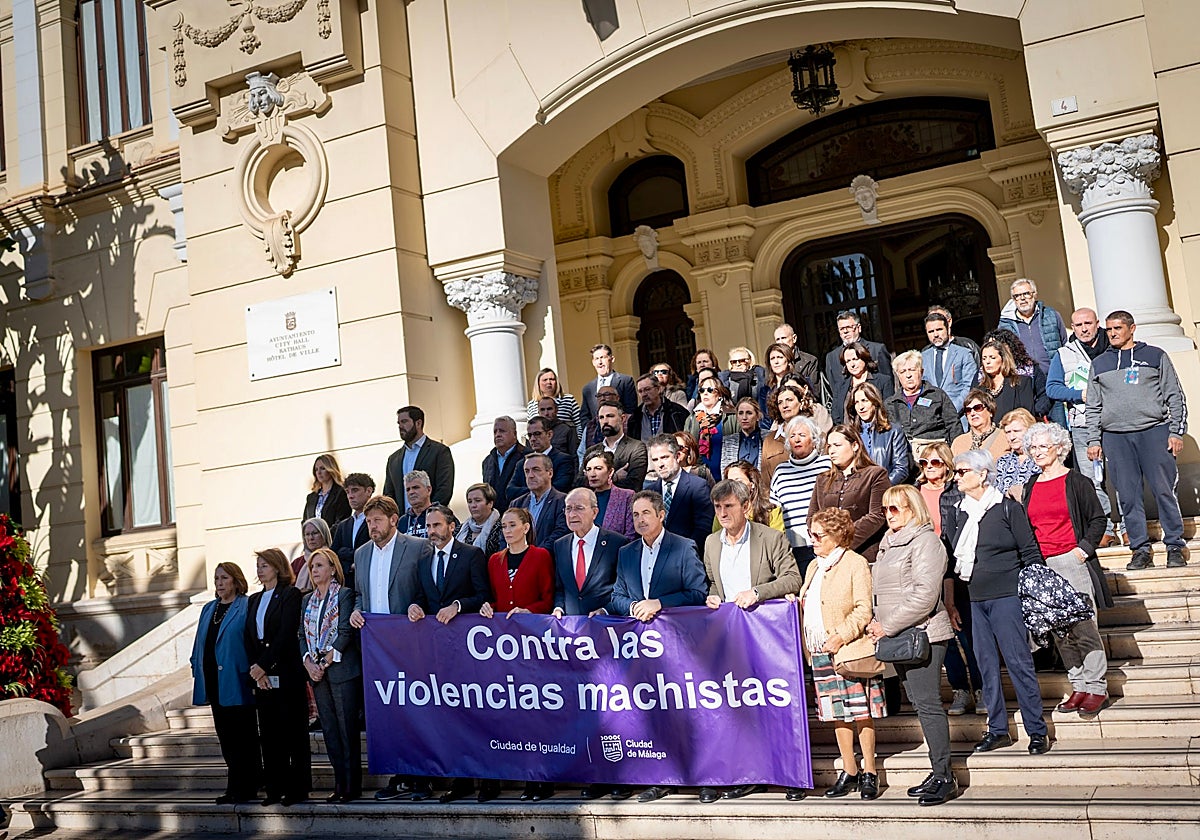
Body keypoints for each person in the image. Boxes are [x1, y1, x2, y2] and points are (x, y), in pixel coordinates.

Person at [700, 478, 802, 804]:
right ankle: (750, 775)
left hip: (767, 638)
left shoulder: (770, 538)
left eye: (729, 506)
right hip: (729, 640)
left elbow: (792, 578)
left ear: (745, 506)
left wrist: (758, 593)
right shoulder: (711, 543)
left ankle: (790, 773)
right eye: (718, 507)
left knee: (776, 707)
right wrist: (712, 597)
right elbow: (712, 584)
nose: (723, 512)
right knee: (740, 709)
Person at [942, 450, 1050, 756]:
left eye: (962, 471)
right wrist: (950, 603)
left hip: (1006, 596)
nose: (956, 476)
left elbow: (1030, 551)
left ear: (983, 474)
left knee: (1018, 662)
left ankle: (1036, 729)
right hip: (973, 599)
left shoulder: (1005, 507)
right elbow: (951, 561)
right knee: (986, 665)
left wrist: (1034, 593)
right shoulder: (958, 511)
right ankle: (998, 728)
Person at [865, 485, 957, 806]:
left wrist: (885, 625)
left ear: (913, 509)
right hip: (899, 637)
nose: (889, 515)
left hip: (924, 634)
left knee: (929, 706)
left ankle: (945, 775)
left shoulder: (926, 542)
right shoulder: (888, 545)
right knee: (919, 706)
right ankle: (937, 768)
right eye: (886, 509)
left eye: (896, 509)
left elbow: (925, 595)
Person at [1021, 423, 1113, 715]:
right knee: (1059, 630)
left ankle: (1097, 687)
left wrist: (1083, 550)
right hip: (1043, 566)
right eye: (1032, 448)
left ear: (1059, 448)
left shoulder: (1077, 482)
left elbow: (1098, 519)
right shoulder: (1031, 484)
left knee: (1084, 628)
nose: (1037, 453)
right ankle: (1079, 685)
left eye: (1042, 447)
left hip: (1072, 560)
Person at [1086, 310, 1188, 570]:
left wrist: (1176, 432)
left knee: (1164, 490)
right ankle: (1140, 549)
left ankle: (1175, 545)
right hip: (1116, 437)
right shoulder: (1100, 363)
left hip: (1154, 431)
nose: (1112, 333)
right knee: (1128, 496)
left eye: (1118, 328)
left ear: (1132, 329)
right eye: (1109, 329)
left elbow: (1174, 395)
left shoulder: (1154, 355)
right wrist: (1093, 440)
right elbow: (1094, 406)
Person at [798, 507, 885, 801]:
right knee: (837, 714)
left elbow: (863, 608)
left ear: (836, 536)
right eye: (811, 534)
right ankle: (849, 770)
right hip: (820, 650)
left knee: (861, 713)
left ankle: (870, 771)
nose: (812, 540)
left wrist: (840, 636)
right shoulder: (813, 566)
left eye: (818, 535)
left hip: (848, 650)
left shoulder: (855, 563)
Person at [407, 504, 490, 803]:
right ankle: (461, 780)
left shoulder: (471, 555)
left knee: (475, 715)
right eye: (428, 527)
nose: (432, 532)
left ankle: (487, 780)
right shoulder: (423, 560)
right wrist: (414, 606)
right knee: (449, 716)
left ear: (452, 526)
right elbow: (421, 597)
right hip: (437, 653)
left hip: (469, 651)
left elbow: (482, 595)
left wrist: (457, 606)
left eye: (437, 526)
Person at [552, 488, 630, 801]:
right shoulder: (559, 546)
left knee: (613, 710)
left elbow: (622, 585)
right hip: (575, 642)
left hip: (608, 640)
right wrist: (558, 607)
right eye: (568, 508)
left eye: (578, 508)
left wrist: (608, 610)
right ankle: (596, 773)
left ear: (594, 511)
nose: (572, 513)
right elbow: (561, 588)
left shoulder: (616, 543)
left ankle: (621, 775)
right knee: (586, 711)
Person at [351, 495, 431, 801]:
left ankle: (422, 778)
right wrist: (357, 610)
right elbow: (359, 594)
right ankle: (398, 776)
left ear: (394, 520)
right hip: (377, 650)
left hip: (412, 645)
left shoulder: (416, 547)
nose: (372, 526)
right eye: (369, 521)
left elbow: (426, 590)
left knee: (417, 710)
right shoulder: (361, 554)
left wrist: (417, 605)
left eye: (378, 520)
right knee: (388, 714)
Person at [479, 507, 555, 802]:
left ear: (525, 527)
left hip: (533, 644)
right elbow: (493, 597)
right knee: (508, 714)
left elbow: (547, 597)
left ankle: (541, 780)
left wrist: (529, 611)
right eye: (504, 526)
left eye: (512, 525)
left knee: (535, 714)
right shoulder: (494, 561)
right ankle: (514, 774)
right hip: (504, 648)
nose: (507, 530)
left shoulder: (540, 556)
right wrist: (487, 606)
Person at [918, 442, 986, 717]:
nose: (929, 468)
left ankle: (981, 686)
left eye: (935, 462)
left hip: (958, 569)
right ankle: (960, 688)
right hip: (928, 568)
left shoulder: (957, 492)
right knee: (940, 632)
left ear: (946, 465)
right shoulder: (915, 492)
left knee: (966, 632)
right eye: (924, 463)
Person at [1046, 307, 1123, 546]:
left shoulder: (1115, 348)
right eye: (1078, 325)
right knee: (1092, 479)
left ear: (1097, 323)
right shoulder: (1063, 354)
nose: (1084, 329)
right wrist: (1079, 394)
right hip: (1082, 425)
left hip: (1117, 422)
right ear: (1072, 327)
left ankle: (1131, 526)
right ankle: (1106, 529)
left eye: (1088, 323)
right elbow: (1052, 388)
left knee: (1122, 476)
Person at [244, 548, 310, 806]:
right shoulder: (253, 599)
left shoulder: (290, 595)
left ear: (278, 567)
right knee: (270, 735)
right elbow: (248, 636)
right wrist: (256, 670)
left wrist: (263, 664)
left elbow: (285, 634)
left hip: (287, 673)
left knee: (293, 734)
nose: (260, 569)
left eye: (265, 565)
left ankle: (297, 788)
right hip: (262, 678)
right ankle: (274, 788)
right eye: (258, 565)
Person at [190, 562, 259, 804]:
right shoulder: (209, 608)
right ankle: (234, 786)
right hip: (213, 682)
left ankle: (247, 786)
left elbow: (253, 641)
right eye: (217, 578)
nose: (219, 583)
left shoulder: (247, 605)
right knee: (226, 738)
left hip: (238, 680)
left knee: (244, 737)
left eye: (225, 578)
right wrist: (194, 665)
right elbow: (200, 642)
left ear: (236, 581)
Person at [300, 547, 361, 803]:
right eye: (313, 567)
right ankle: (338, 783)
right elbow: (301, 636)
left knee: (347, 729)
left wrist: (325, 660)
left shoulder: (344, 595)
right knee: (331, 731)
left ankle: (351, 786)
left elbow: (346, 631)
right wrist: (308, 663)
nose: (314, 571)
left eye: (320, 566)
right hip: (318, 675)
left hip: (341, 670)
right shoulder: (306, 600)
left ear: (333, 569)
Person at [608, 490, 708, 626]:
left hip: (675, 632)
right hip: (638, 636)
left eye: (646, 513)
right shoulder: (626, 552)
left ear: (661, 516)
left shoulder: (684, 547)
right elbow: (617, 596)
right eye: (636, 515)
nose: (640, 520)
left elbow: (698, 593)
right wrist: (634, 607)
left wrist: (659, 603)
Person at [808, 424, 890, 563]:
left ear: (855, 445)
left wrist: (841, 541)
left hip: (865, 554)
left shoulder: (875, 474)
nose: (832, 451)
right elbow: (812, 516)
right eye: (829, 446)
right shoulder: (823, 479)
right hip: (829, 557)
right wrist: (826, 541)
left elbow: (877, 515)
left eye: (837, 445)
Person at [770, 416, 832, 565]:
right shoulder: (780, 471)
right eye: (792, 436)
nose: (797, 440)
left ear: (814, 440)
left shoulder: (828, 465)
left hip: (825, 544)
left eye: (802, 435)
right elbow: (775, 512)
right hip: (794, 549)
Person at [884, 351, 960, 466]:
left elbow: (954, 426)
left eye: (912, 370)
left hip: (937, 457)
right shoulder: (890, 403)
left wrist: (956, 456)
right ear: (898, 376)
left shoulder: (937, 395)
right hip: (905, 460)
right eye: (903, 372)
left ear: (921, 371)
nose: (908, 375)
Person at [645, 434, 714, 550]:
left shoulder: (698, 487)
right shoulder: (649, 492)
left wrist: (683, 554)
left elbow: (703, 529)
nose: (660, 464)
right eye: (655, 460)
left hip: (686, 557)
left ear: (677, 456)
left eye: (664, 457)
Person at [762, 382, 833, 484]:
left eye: (789, 400)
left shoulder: (816, 434)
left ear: (801, 403)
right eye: (780, 402)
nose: (785, 405)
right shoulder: (769, 441)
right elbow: (766, 483)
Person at [383, 405, 455, 506]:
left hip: (431, 518)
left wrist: (429, 514)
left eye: (404, 421)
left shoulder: (439, 451)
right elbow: (388, 495)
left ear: (418, 423)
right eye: (399, 423)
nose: (400, 426)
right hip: (402, 520)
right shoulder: (394, 459)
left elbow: (444, 490)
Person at [996, 278, 1067, 379]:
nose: (1022, 298)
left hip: (1054, 376)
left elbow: (1064, 343)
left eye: (1026, 294)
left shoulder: (1051, 316)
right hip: (1024, 380)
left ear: (1034, 294)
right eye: (1017, 296)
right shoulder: (1005, 324)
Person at [846, 382, 909, 485]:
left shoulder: (893, 431)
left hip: (885, 491)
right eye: (856, 402)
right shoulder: (851, 433)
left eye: (864, 401)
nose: (860, 407)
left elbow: (901, 469)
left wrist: (881, 488)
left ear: (874, 402)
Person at [824, 310, 893, 402]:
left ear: (858, 328)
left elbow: (888, 385)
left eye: (848, 327)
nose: (845, 331)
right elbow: (834, 390)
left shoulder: (877, 350)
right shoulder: (831, 357)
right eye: (842, 329)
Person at [509, 453, 570, 548]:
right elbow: (506, 534)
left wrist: (535, 555)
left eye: (536, 470)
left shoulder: (563, 501)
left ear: (550, 473)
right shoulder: (517, 503)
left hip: (548, 559)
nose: (530, 475)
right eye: (527, 471)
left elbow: (560, 534)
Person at [583, 403, 648, 491]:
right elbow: (579, 482)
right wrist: (615, 477)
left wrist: (595, 480)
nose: (605, 421)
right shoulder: (591, 451)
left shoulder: (636, 447)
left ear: (622, 418)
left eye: (610, 416)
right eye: (601, 417)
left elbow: (634, 484)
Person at [922, 311, 978, 411]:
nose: (935, 334)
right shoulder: (923, 357)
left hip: (959, 416)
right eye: (931, 331)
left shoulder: (964, 354)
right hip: (932, 418)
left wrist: (952, 410)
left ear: (948, 328)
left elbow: (970, 386)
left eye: (939, 329)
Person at [686, 371, 734, 478]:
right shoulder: (692, 418)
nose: (705, 393)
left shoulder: (731, 416)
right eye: (702, 390)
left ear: (720, 394)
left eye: (710, 390)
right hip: (701, 474)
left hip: (727, 471)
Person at [331, 472, 375, 590]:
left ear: (369, 491)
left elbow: (372, 550)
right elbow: (333, 555)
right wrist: (349, 566)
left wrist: (345, 552)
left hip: (371, 582)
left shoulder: (376, 522)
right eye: (347, 492)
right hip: (347, 585)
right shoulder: (343, 525)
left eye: (355, 490)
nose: (350, 496)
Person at [832, 341, 894, 424]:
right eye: (848, 361)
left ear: (864, 358)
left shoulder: (883, 381)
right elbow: (836, 415)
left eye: (855, 359)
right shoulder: (840, 386)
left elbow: (889, 411)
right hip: (849, 433)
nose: (852, 364)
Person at [976, 339, 1039, 418]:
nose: (987, 362)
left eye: (992, 357)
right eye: (984, 358)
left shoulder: (1021, 382)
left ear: (1003, 359)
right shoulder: (980, 389)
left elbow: (1027, 416)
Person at [581, 450, 636, 539]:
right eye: (588, 469)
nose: (592, 474)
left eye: (598, 468)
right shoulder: (583, 499)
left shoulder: (627, 496)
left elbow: (631, 534)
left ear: (610, 472)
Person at [580, 344, 637, 428]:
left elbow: (630, 410)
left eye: (603, 357)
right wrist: (592, 430)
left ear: (612, 359)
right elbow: (584, 416)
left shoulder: (626, 381)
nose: (600, 362)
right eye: (596, 359)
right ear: (593, 362)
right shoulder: (588, 388)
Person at [481, 416, 527, 513]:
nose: (497, 435)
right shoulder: (487, 461)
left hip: (520, 514)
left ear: (514, 434)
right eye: (495, 432)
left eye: (502, 431)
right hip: (495, 517)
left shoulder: (527, 457)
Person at [724, 460, 785, 532]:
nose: (734, 486)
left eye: (739, 482)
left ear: (752, 484)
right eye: (730, 482)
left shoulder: (772, 511)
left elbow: (778, 540)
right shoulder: (722, 512)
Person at [628, 373, 690, 442]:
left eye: (647, 389)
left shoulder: (677, 413)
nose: (644, 394)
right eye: (640, 391)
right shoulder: (635, 418)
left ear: (658, 389)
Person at [526, 368, 582, 440]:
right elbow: (529, 427)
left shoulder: (568, 399)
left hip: (565, 443)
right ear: (538, 383)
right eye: (545, 380)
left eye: (552, 379)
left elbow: (579, 424)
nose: (549, 382)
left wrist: (577, 441)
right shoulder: (532, 404)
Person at [952, 389, 1008, 461]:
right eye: (968, 410)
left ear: (990, 411)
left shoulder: (1005, 437)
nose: (972, 413)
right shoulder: (958, 443)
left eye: (978, 408)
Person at [994, 408, 1040, 496]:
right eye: (1008, 432)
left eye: (1016, 431)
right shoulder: (1003, 462)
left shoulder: (1042, 460)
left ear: (1030, 430)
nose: (1012, 437)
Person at [457, 482, 504, 559]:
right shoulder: (459, 529)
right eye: (470, 501)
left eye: (478, 500)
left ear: (490, 503)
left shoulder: (502, 528)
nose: (473, 505)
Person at [720, 398, 767, 475]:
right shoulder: (728, 440)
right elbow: (724, 471)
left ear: (758, 416)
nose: (744, 417)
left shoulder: (768, 438)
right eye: (741, 413)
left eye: (749, 413)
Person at [303, 454, 351, 528]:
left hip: (333, 538)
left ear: (331, 469)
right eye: (316, 469)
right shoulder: (311, 497)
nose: (319, 472)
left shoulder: (341, 493)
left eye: (323, 468)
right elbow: (305, 522)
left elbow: (342, 520)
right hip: (312, 538)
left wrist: (325, 536)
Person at [294, 517, 332, 593]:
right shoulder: (297, 563)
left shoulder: (332, 558)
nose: (311, 538)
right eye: (307, 534)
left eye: (315, 533)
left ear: (323, 534)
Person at [397, 470, 434, 538]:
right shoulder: (402, 521)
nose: (411, 492)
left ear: (428, 490)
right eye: (408, 489)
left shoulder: (443, 516)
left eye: (415, 487)